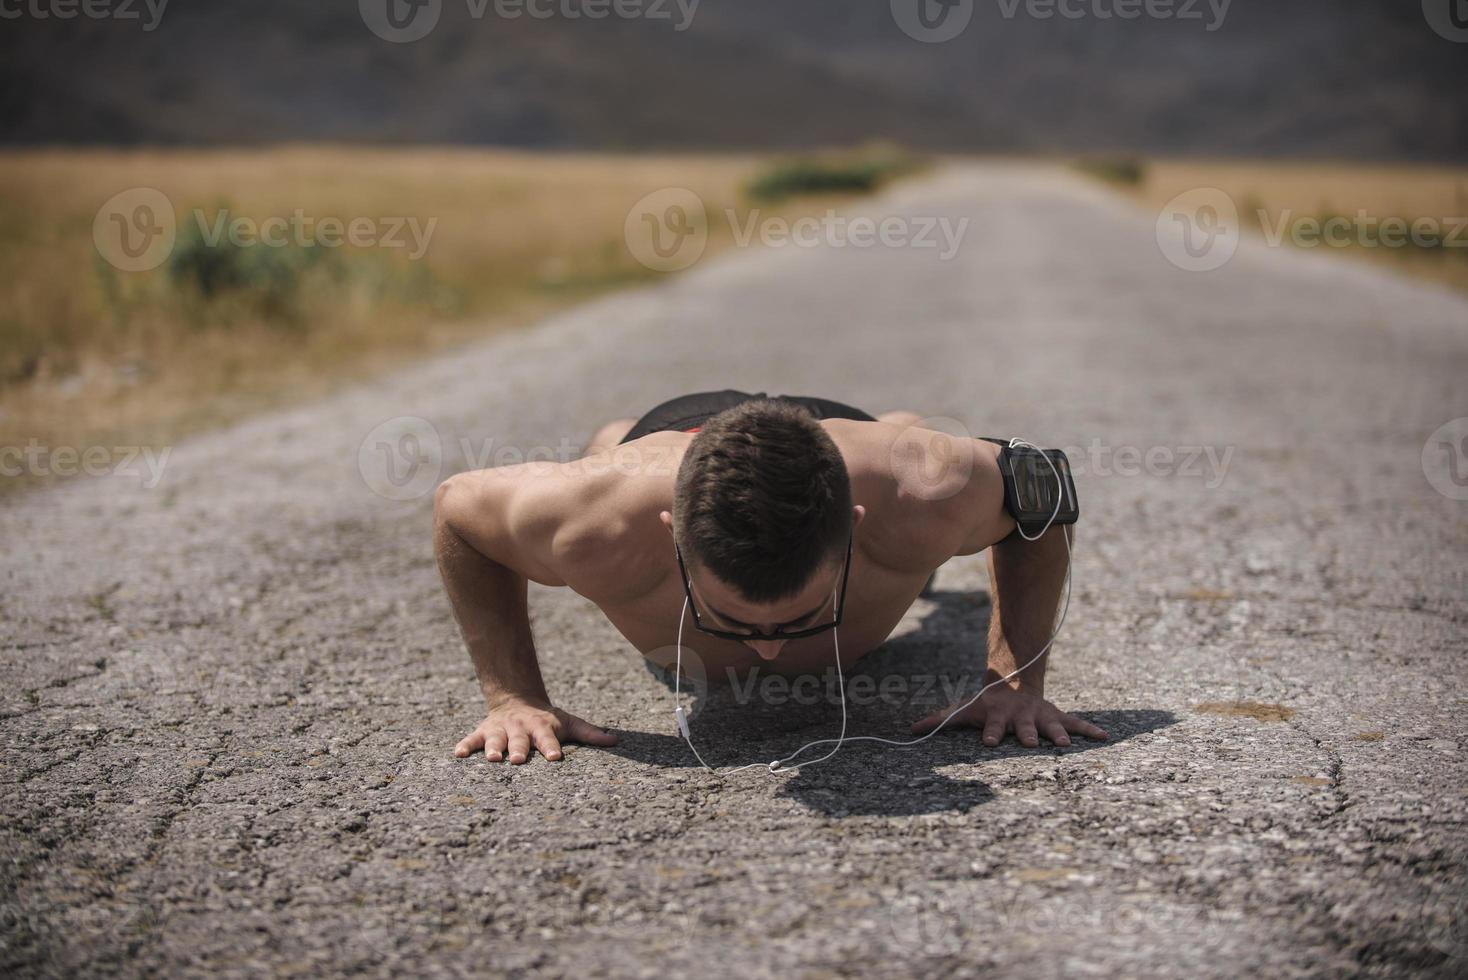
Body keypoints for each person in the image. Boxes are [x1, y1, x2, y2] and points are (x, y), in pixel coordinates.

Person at [434, 390, 1108, 765]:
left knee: (897, 438)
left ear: (855, 528)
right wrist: (512, 696)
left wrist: (1016, 683)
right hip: (668, 438)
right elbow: (457, 509)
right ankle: (615, 435)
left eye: (797, 618)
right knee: (613, 448)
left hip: (837, 440)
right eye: (729, 620)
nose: (766, 651)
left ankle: (893, 422)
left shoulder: (921, 495)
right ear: (671, 532)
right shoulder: (592, 520)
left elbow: (1039, 487)